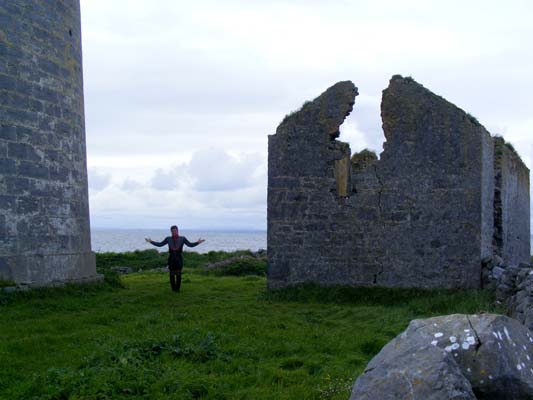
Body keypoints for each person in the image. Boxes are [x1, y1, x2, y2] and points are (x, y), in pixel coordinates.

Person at [145, 225, 205, 292]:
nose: (174, 232)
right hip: (171, 259)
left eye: (175, 231)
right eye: (172, 231)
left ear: (177, 231)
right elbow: (160, 244)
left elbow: (190, 245)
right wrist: (151, 241)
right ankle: (173, 289)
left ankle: (177, 289)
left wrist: (197, 242)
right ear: (171, 231)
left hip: (179, 258)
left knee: (178, 274)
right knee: (172, 274)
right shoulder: (168, 239)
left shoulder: (182, 238)